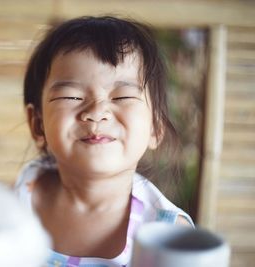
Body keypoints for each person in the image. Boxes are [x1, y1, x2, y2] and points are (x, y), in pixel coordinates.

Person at [14, 16, 194, 267]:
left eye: (122, 97)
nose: (97, 112)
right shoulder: (25, 189)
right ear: (38, 124)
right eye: (72, 96)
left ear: (155, 126)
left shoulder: (170, 236)